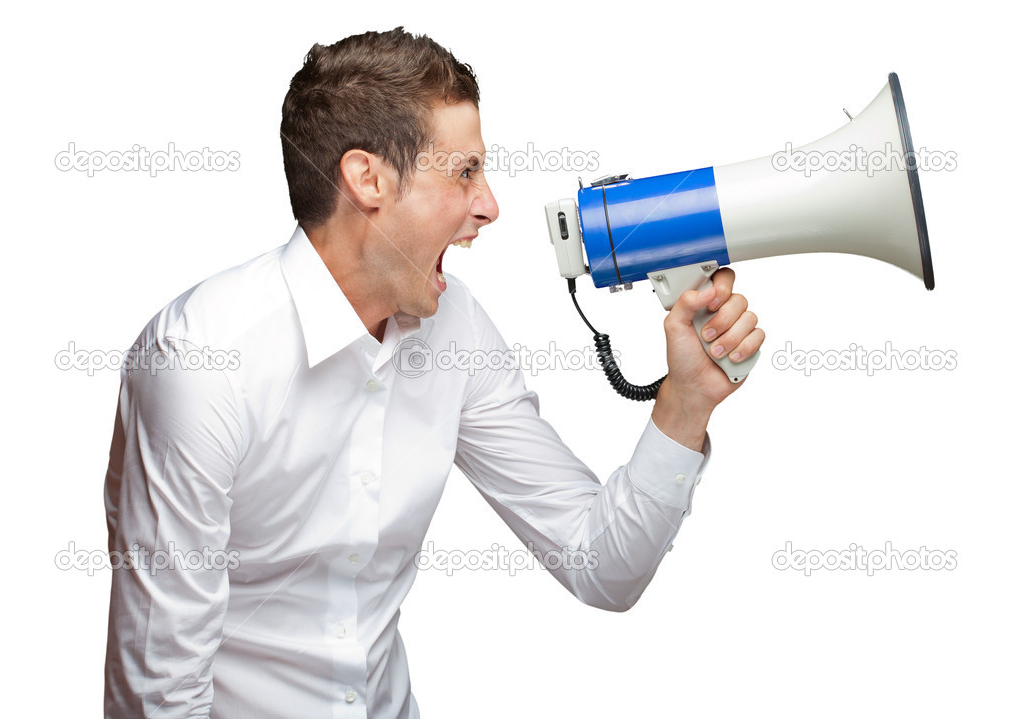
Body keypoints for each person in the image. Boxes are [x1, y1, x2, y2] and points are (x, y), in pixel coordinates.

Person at [103, 27, 764, 719]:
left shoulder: (456, 328)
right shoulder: (201, 362)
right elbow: (160, 693)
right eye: (464, 172)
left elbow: (599, 565)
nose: (490, 206)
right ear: (368, 180)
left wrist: (685, 403)